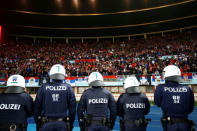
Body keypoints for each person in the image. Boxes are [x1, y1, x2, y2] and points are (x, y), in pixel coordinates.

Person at [34, 64, 76, 131]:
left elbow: (36, 107)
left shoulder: (43, 87)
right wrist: (70, 124)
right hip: (63, 124)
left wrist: (38, 123)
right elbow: (72, 109)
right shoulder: (68, 88)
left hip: (45, 124)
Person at [154, 65, 195, 131]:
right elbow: (191, 108)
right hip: (185, 124)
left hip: (170, 124)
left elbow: (157, 102)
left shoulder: (160, 87)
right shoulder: (187, 89)